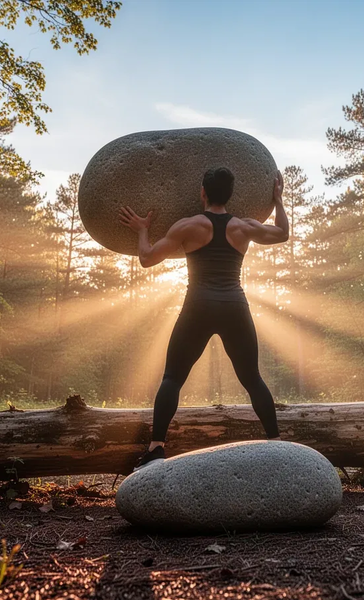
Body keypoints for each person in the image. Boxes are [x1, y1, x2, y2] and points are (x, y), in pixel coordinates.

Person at [118, 166, 289, 470]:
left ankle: (156, 447)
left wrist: (142, 229)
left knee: (172, 378)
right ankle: (276, 445)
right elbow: (282, 233)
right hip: (235, 307)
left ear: (202, 193)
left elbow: (146, 259)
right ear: (231, 195)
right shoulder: (243, 227)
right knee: (252, 379)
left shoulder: (188, 226)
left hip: (198, 306)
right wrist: (278, 200)